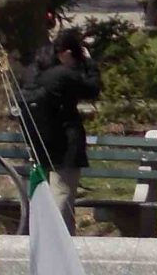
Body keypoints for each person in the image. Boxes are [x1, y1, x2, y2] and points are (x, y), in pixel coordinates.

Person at [21, 27, 101, 234]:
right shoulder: (63, 75)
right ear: (66, 53)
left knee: (43, 195)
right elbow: (92, 89)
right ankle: (61, 243)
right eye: (75, 57)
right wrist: (90, 64)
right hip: (65, 144)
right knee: (62, 194)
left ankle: (42, 236)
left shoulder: (34, 73)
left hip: (38, 141)